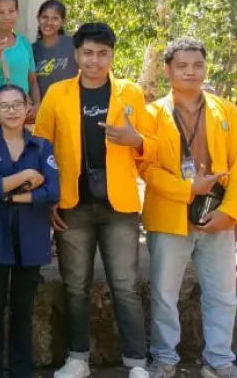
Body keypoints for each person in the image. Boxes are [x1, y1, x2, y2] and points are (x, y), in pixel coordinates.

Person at [34, 23, 154, 378]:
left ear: (112, 55)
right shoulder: (57, 94)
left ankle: (136, 363)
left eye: (102, 53)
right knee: (74, 287)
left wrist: (137, 141)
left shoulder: (129, 93)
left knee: (126, 287)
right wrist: (49, 199)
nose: (95, 60)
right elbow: (41, 149)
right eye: (88, 52)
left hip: (119, 207)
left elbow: (151, 148)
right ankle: (77, 358)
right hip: (73, 204)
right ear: (76, 54)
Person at [140, 38, 237, 378]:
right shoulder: (151, 113)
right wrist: (186, 189)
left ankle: (220, 360)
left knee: (223, 294)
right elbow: (146, 167)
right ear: (168, 70)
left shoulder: (226, 111)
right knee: (165, 294)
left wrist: (230, 212)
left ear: (204, 68)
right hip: (170, 215)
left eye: (197, 65)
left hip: (218, 216)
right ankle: (164, 358)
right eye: (182, 66)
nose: (190, 72)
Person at [0, 84, 60, 378]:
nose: (11, 111)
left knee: (23, 308)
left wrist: (9, 192)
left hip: (31, 237)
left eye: (17, 104)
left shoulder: (42, 146)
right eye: (4, 106)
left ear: (27, 108)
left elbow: (52, 192)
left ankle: (23, 369)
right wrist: (24, 177)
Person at [0, 0, 40, 126]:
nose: (7, 16)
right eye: (1, 12)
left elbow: (32, 79)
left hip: (21, 114)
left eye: (11, 11)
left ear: (17, 12)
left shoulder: (24, 43)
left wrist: (37, 104)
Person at [32, 0, 78, 101]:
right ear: (38, 19)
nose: (49, 22)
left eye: (55, 18)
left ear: (63, 22)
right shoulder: (31, 50)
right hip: (42, 110)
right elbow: (30, 82)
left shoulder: (73, 44)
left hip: (68, 106)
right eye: (45, 17)